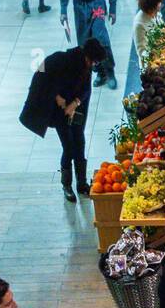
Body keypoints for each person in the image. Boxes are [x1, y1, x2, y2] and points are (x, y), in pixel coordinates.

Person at [19, 38, 106, 201]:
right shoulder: (59, 60)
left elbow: (86, 89)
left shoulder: (85, 67)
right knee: (69, 147)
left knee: (79, 143)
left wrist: (75, 103)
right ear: (87, 56)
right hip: (58, 113)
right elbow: (41, 79)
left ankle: (82, 183)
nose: (93, 65)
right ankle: (66, 185)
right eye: (93, 62)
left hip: (76, 111)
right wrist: (57, 97)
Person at [59, 0, 118, 89]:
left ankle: (109, 71)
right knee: (85, 43)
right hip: (79, 6)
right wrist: (63, 10)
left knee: (101, 38)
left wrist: (113, 8)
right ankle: (100, 72)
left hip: (97, 3)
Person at [133, 0, 164, 70]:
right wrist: (156, 54)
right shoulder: (139, 24)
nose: (160, 6)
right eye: (158, 5)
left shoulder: (155, 12)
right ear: (150, 8)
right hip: (151, 65)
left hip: (161, 53)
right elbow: (141, 51)